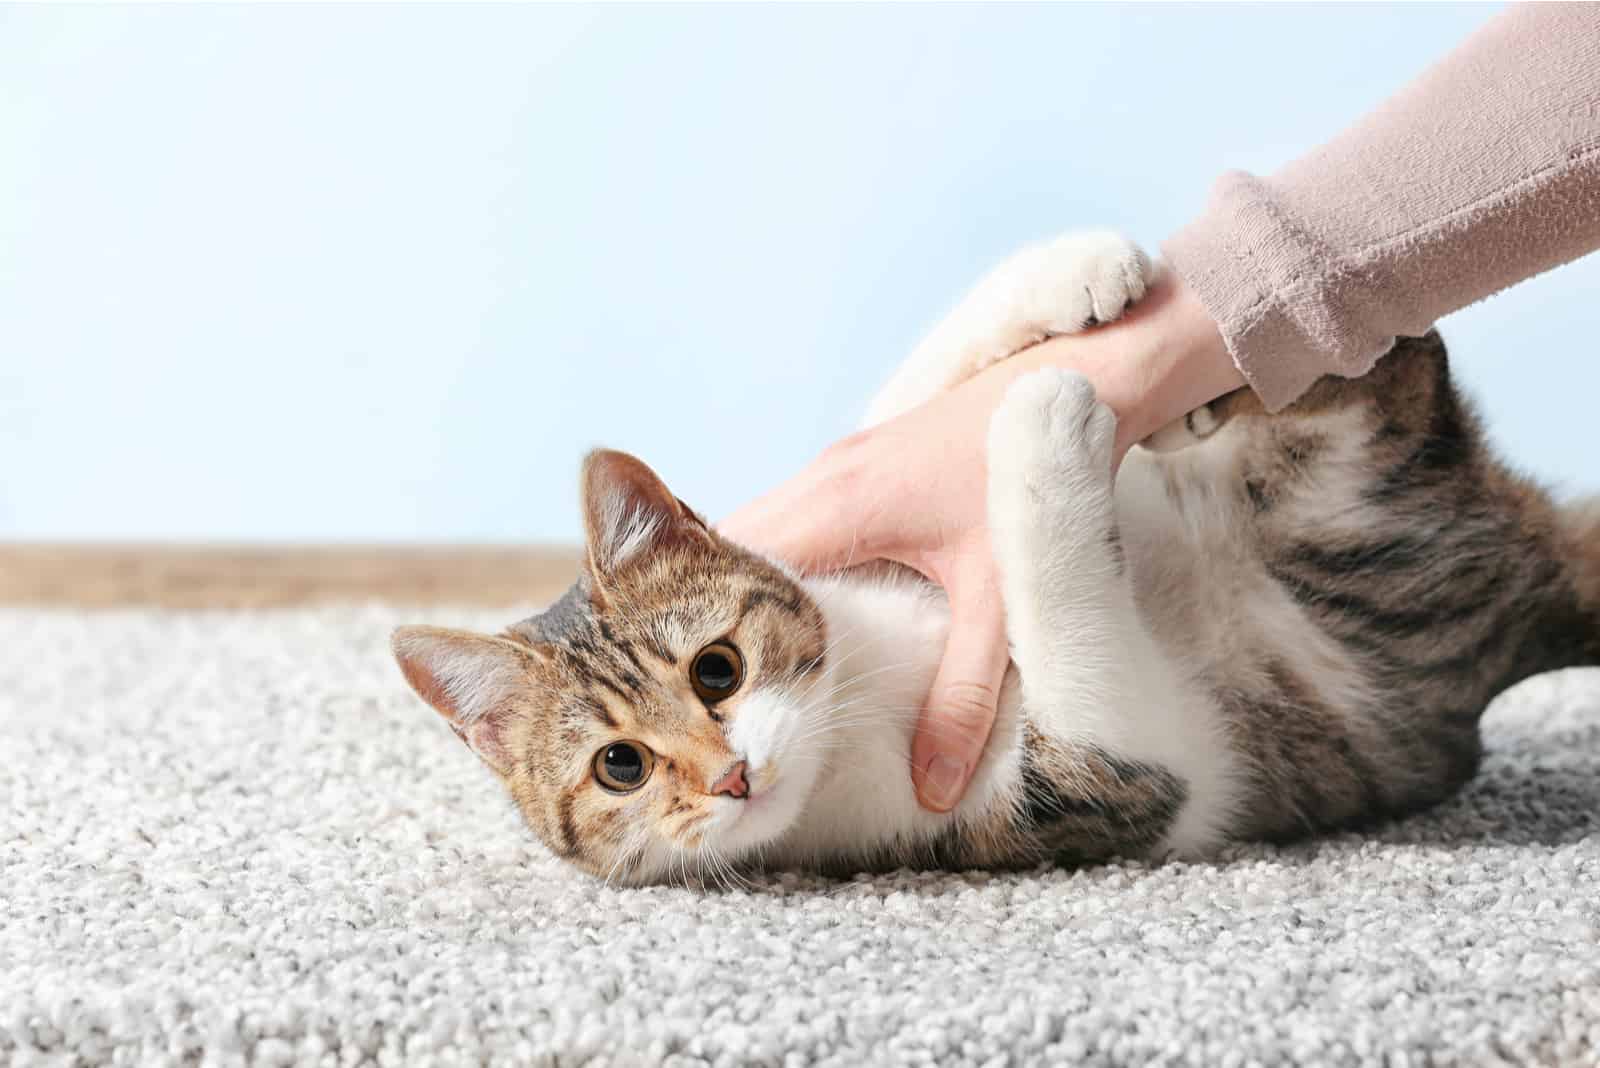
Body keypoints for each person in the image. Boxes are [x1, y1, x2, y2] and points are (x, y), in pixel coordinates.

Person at [721, 4, 1600, 814]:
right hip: (1323, 664)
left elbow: (907, 463)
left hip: (1214, 513)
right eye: (623, 768)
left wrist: (1025, 337)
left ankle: (1273, 374)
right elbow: (1123, 779)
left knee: (916, 481)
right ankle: (1320, 386)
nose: (716, 773)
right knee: (1353, 416)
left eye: (715, 674)